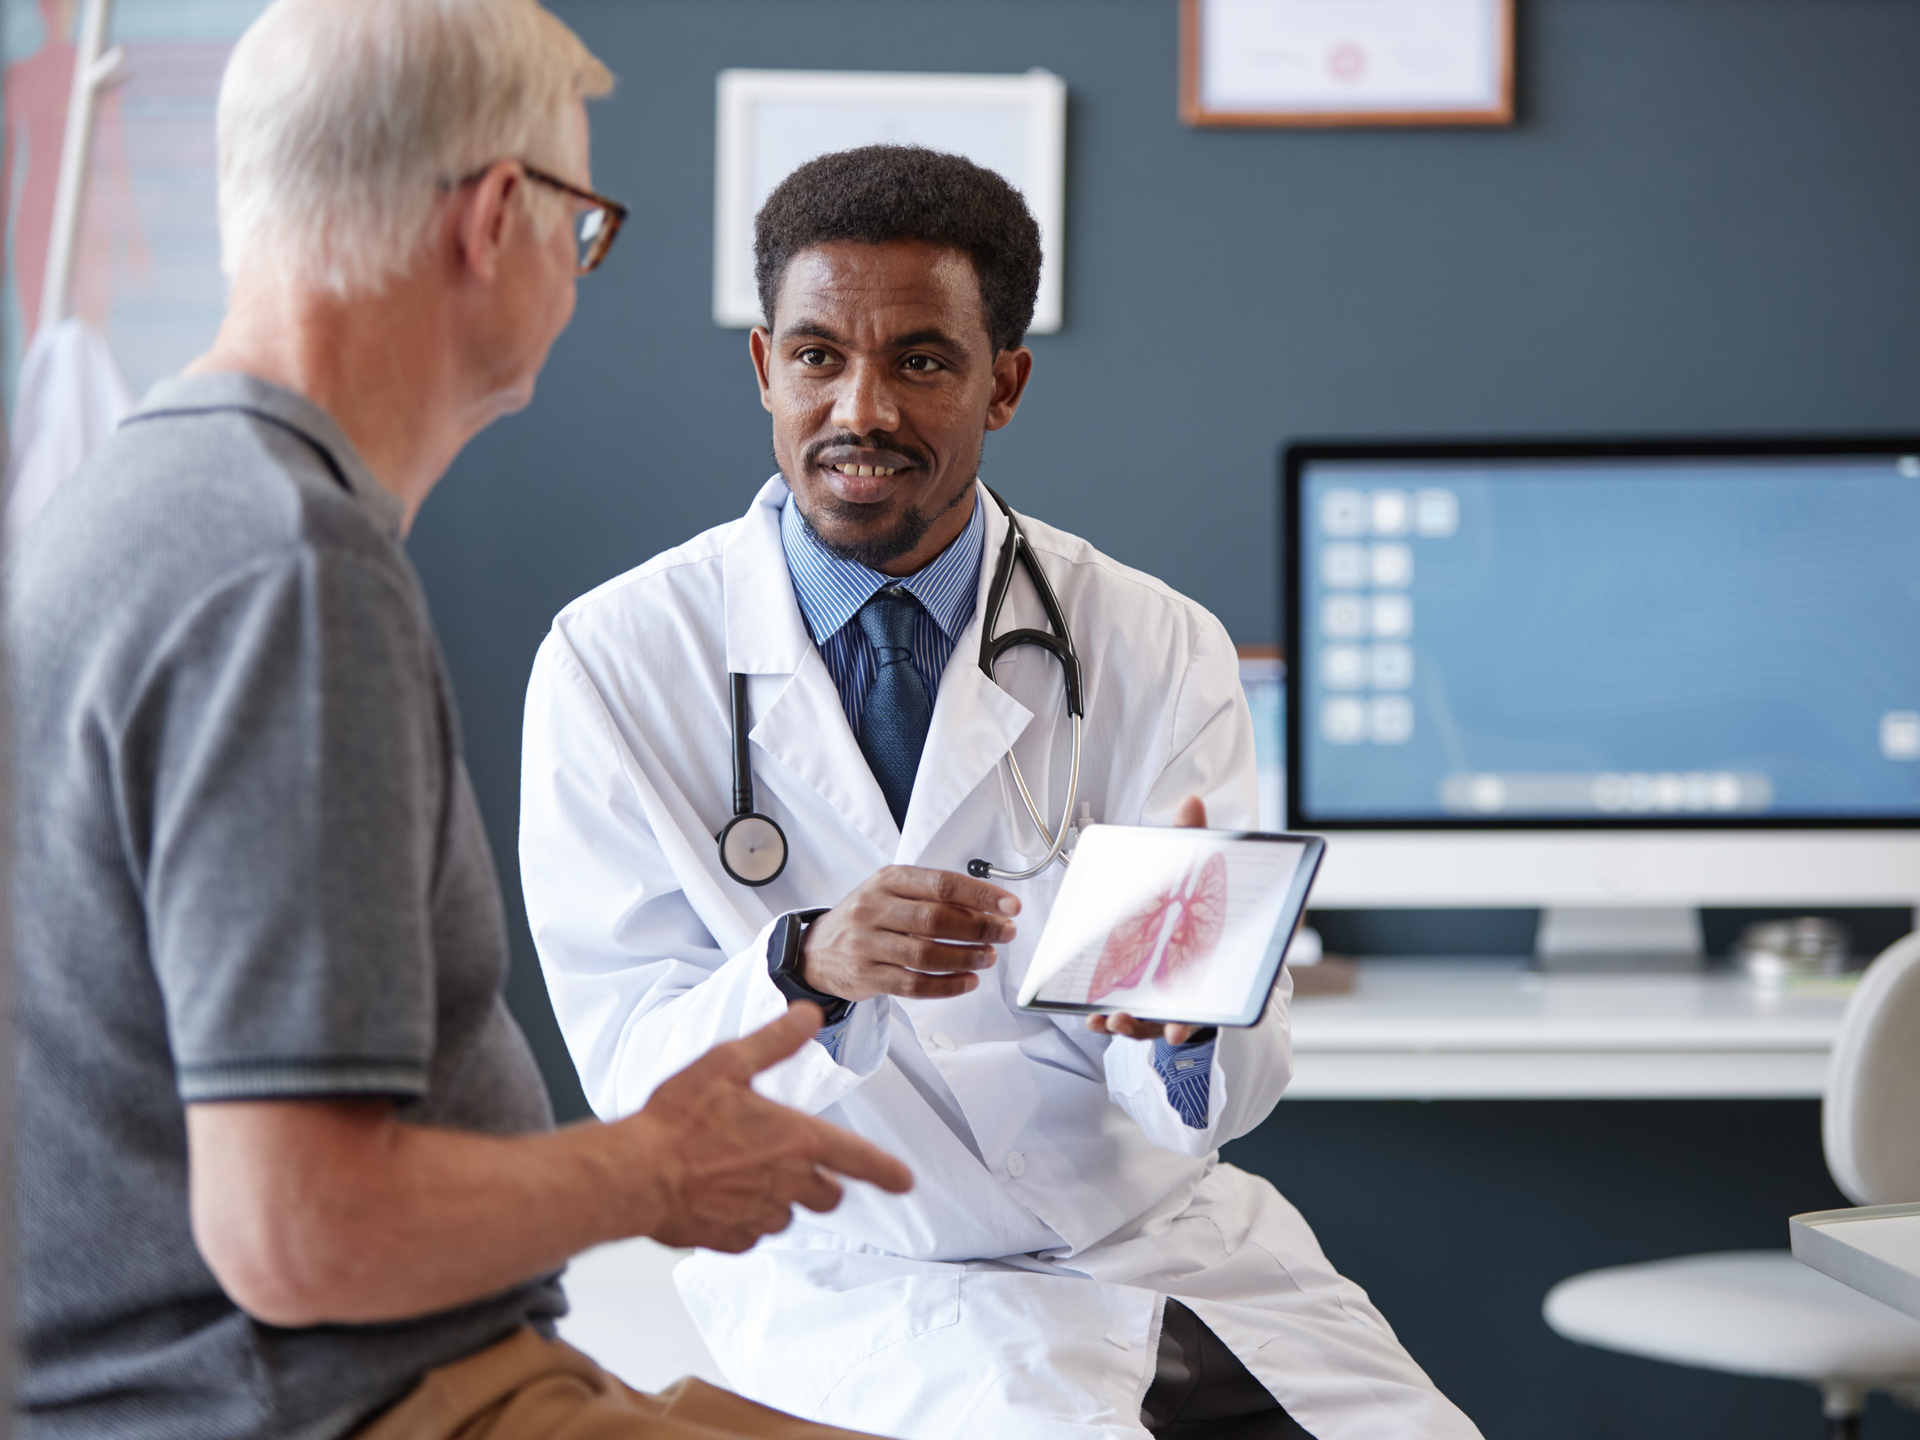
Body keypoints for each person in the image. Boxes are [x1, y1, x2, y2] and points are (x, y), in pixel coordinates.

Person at [8, 5, 911, 1438]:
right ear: (499, 216)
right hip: (340, 1402)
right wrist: (657, 1173)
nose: (577, 266)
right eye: (583, 224)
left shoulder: (141, 505)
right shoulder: (285, 570)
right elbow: (301, 1231)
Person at [520, 145, 1482, 1440]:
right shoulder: (617, 660)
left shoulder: (1155, 644)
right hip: (863, 1273)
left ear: (1005, 382)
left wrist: (1187, 1030)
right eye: (817, 357)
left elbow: (1227, 1080)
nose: (862, 409)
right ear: (764, 369)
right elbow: (634, 1079)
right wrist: (809, 962)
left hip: (1161, 1243)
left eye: (920, 360)